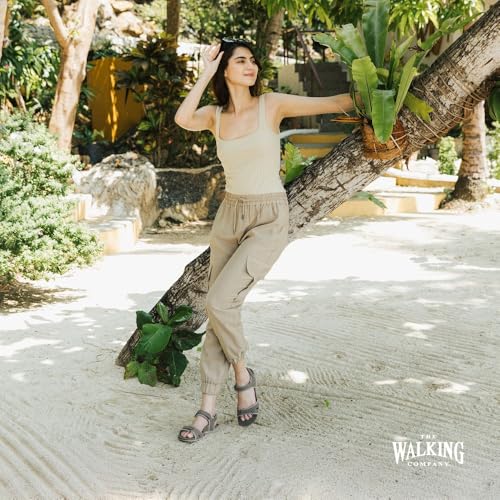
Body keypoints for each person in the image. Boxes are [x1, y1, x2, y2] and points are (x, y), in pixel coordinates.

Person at [174, 37, 355, 442]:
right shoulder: (214, 116)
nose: (251, 66)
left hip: (268, 217)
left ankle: (243, 376)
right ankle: (207, 407)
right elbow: (183, 118)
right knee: (219, 308)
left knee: (220, 302)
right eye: (240, 61)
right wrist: (206, 69)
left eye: (253, 60)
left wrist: (379, 93)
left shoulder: (270, 105)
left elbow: (333, 102)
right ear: (224, 69)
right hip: (229, 216)